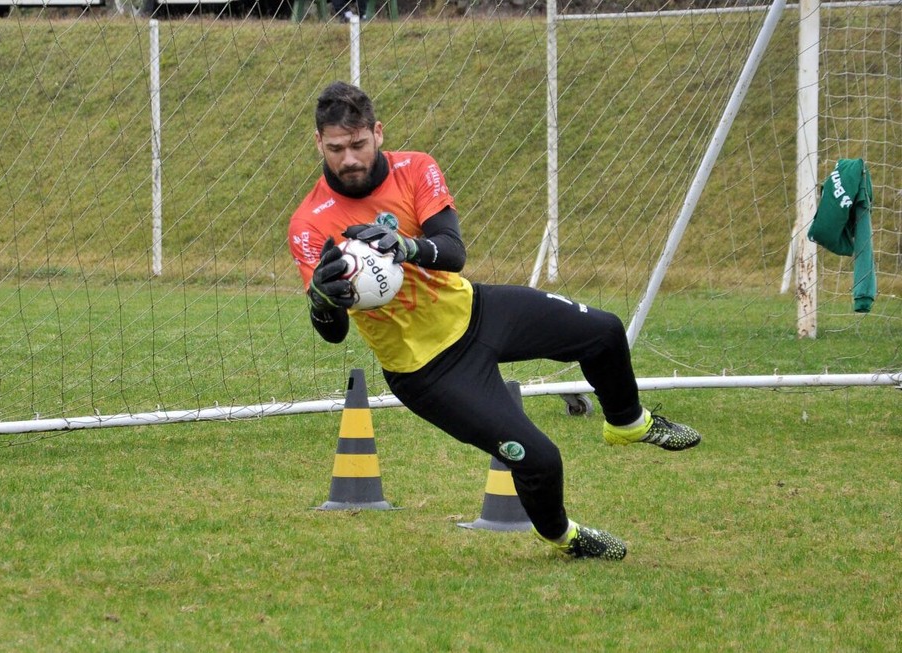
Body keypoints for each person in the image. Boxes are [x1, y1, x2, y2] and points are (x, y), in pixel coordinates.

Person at [287, 81, 702, 560]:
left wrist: (406, 247)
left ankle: (627, 422)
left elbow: (453, 251)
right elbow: (334, 333)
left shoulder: (415, 168)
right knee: (542, 460)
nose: (350, 159)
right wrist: (322, 301)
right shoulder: (310, 224)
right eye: (337, 148)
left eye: (358, 144)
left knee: (605, 332)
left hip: (478, 311)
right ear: (319, 143)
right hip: (428, 372)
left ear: (377, 134)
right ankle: (561, 534)